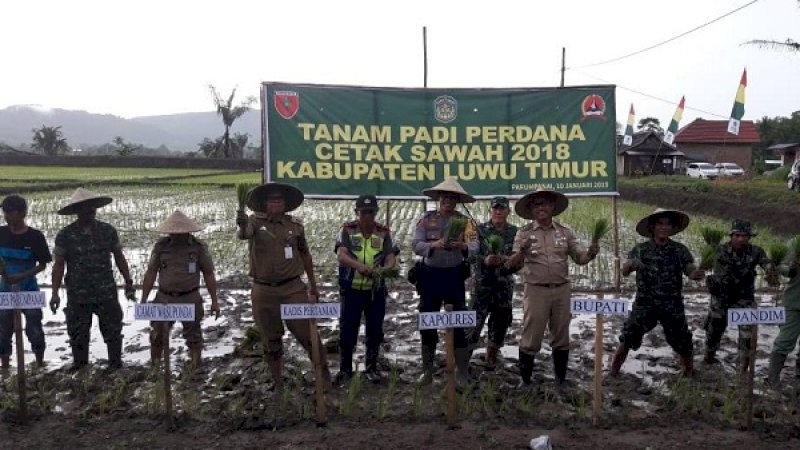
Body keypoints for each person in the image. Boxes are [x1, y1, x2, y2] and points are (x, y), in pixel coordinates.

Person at [236, 182, 329, 388]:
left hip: (293, 288)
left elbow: (305, 255)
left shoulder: (294, 226)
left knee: (308, 335)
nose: (276, 203)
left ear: (285, 204)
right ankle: (277, 382)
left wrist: (313, 285)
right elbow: (244, 234)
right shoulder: (254, 222)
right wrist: (241, 223)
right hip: (264, 291)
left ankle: (323, 377)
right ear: (265, 204)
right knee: (271, 340)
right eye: (272, 200)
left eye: (279, 200)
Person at [507, 190, 598, 386]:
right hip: (535, 291)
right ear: (531, 210)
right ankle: (525, 381)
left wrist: (590, 254)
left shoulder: (565, 232)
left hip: (562, 290)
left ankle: (560, 380)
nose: (541, 207)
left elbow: (579, 258)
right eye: (536, 205)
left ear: (552, 208)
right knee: (531, 336)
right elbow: (513, 265)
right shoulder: (524, 233)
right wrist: (522, 251)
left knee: (561, 335)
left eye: (545, 204)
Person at [610, 209, 703, 377]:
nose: (664, 227)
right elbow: (624, 271)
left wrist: (695, 274)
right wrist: (631, 265)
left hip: (672, 303)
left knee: (683, 339)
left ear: (672, 228)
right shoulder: (641, 249)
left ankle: (689, 372)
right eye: (660, 223)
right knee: (628, 336)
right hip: (645, 302)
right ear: (652, 227)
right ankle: (613, 371)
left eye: (668, 224)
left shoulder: (679, 250)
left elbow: (689, 268)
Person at [50, 188, 136, 371]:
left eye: (92, 207)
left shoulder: (107, 231)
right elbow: (58, 265)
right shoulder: (65, 235)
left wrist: (128, 281)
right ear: (77, 211)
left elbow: (119, 257)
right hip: (77, 293)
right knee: (78, 332)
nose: (89, 211)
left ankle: (115, 365)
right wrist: (55, 293)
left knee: (112, 329)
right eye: (84, 208)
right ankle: (80, 366)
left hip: (106, 291)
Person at [412, 177, 478, 385]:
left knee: (458, 321)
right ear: (439, 198)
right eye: (445, 197)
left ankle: (462, 372)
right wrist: (435, 245)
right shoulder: (426, 220)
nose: (448, 201)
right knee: (428, 321)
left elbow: (476, 246)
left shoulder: (465, 222)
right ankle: (428, 370)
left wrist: (463, 247)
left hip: (454, 276)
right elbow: (415, 244)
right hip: (430, 277)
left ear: (457, 200)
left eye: (452, 197)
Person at [140, 210, 219, 369]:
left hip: (189, 298)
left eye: (180, 233)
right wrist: (143, 299)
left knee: (194, 337)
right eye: (173, 232)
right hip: (164, 298)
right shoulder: (161, 246)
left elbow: (209, 274)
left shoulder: (198, 247)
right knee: (157, 336)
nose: (176, 235)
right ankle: (155, 368)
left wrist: (214, 301)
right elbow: (151, 272)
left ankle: (195, 367)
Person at [334, 195, 398, 383]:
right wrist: (358, 266)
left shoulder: (384, 232)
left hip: (375, 290)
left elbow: (390, 256)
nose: (368, 216)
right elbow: (341, 255)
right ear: (356, 212)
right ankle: (345, 369)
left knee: (375, 331)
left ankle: (371, 368)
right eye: (364, 212)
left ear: (376, 212)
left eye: (371, 212)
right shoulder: (347, 229)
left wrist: (386, 269)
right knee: (347, 331)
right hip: (351, 289)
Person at [703, 219, 776, 372]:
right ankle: (708, 358)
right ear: (731, 236)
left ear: (749, 237)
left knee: (746, 335)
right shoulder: (719, 250)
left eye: (745, 236)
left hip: (744, 299)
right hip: (721, 298)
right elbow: (704, 265)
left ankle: (743, 367)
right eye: (737, 235)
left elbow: (766, 262)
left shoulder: (755, 251)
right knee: (714, 331)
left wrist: (770, 270)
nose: (741, 239)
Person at [0, 195, 52, 375]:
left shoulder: (35, 237)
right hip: (5, 291)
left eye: (11, 213)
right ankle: (5, 368)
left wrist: (22, 276)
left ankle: (39, 364)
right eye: (4, 213)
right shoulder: (1, 233)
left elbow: (43, 264)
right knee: (3, 331)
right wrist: (5, 274)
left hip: (29, 290)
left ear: (23, 213)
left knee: (34, 329)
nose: (7, 217)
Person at [465, 196, 518, 370]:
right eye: (495, 208)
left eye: (502, 208)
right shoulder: (478, 230)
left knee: (500, 323)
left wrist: (507, 261)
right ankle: (464, 361)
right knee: (473, 322)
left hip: (503, 286)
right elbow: (470, 255)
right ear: (490, 210)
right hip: (482, 285)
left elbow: (519, 259)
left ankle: (491, 357)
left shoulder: (515, 232)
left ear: (508, 212)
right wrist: (485, 260)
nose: (498, 211)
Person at [768, 236, 800, 387]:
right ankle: (773, 381)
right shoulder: (796, 243)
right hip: (794, 302)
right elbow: (780, 266)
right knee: (785, 341)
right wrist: (791, 269)